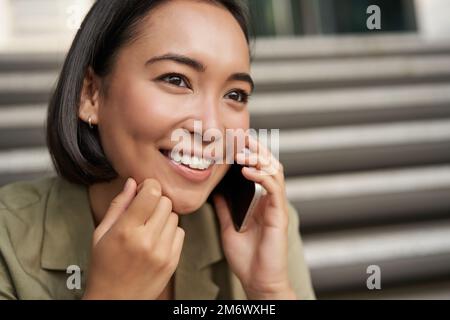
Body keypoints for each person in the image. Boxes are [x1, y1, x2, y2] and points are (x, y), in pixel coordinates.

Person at [0, 0, 315, 300]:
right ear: (91, 94)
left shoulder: (262, 225)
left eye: (235, 94)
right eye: (176, 79)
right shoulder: (7, 238)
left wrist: (270, 290)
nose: (212, 128)